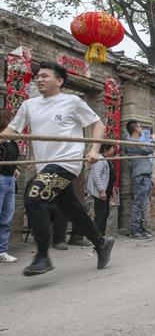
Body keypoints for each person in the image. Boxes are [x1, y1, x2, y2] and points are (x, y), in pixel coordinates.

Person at [0, 62, 114, 275]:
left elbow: (98, 125)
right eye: (37, 76)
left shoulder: (72, 102)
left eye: (45, 76)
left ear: (59, 81)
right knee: (72, 209)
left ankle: (42, 256)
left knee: (33, 198)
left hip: (66, 163)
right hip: (46, 166)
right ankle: (101, 242)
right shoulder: (29, 105)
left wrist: (94, 149)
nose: (39, 79)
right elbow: (12, 130)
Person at [123, 120, 155, 239]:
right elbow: (150, 149)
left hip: (144, 176)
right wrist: (153, 139)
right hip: (140, 177)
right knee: (139, 204)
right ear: (136, 128)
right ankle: (136, 230)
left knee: (142, 204)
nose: (141, 129)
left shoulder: (133, 143)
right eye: (140, 126)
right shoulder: (132, 142)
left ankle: (140, 228)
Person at [0, 109, 20, 263]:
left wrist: (15, 169)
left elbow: (11, 158)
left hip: (9, 181)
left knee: (6, 218)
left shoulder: (10, 140)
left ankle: (2, 250)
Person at [87, 144, 116, 236]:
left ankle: (101, 234)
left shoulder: (106, 159)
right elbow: (96, 176)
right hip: (101, 192)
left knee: (105, 213)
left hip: (107, 191)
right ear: (106, 149)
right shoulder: (100, 160)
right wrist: (102, 191)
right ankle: (96, 235)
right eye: (112, 148)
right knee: (100, 214)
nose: (113, 150)